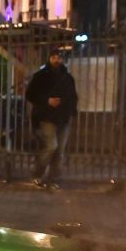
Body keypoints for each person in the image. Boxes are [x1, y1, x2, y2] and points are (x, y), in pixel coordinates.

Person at [25, 47, 78, 189]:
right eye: (54, 57)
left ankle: (53, 179)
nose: (56, 60)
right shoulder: (40, 76)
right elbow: (30, 94)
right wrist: (47, 101)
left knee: (59, 151)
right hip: (46, 117)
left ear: (62, 60)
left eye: (59, 57)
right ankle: (37, 174)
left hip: (63, 118)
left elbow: (73, 97)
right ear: (49, 58)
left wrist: (71, 112)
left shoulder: (67, 78)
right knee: (51, 146)